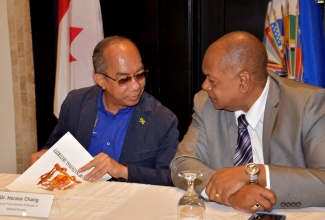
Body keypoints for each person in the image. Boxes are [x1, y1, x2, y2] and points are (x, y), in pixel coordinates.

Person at [170, 31, 325, 213]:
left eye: (212, 80)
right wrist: (232, 193)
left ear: (243, 81)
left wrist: (253, 173)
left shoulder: (307, 105)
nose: (205, 86)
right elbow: (182, 163)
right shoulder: (206, 104)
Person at [30, 36, 179, 186]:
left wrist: (122, 171)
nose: (136, 86)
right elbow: (55, 147)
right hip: (78, 197)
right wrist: (43, 155)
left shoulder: (162, 120)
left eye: (140, 75)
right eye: (124, 79)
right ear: (101, 80)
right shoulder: (75, 103)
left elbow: (170, 177)